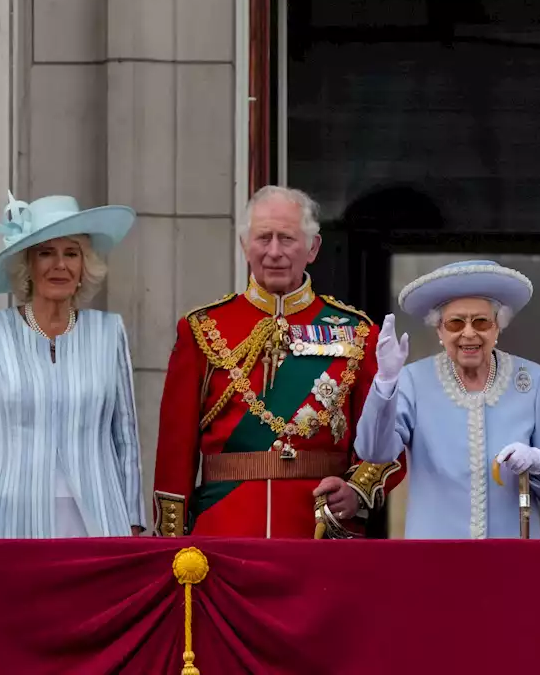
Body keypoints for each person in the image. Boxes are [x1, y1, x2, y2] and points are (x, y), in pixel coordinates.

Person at [152, 186, 403, 538]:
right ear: (244, 245)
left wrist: (357, 491)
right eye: (263, 238)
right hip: (224, 529)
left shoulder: (357, 331)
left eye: (287, 238)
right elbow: (174, 452)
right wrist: (171, 543)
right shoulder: (202, 328)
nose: (274, 252)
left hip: (319, 530)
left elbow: (386, 436)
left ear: (312, 248)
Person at [355, 260, 540, 538]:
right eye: (455, 323)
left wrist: (539, 464)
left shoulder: (534, 381)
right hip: (437, 560)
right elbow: (374, 451)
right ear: (439, 330)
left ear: (498, 327)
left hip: (510, 561)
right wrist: (386, 381)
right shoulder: (413, 381)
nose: (469, 333)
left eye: (482, 322)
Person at [0, 193, 145, 538]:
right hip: (6, 518)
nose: (60, 265)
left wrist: (132, 517)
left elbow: (125, 437)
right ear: (27, 265)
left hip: (98, 515)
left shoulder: (108, 332)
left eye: (71, 253)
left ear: (85, 266)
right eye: (46, 253)